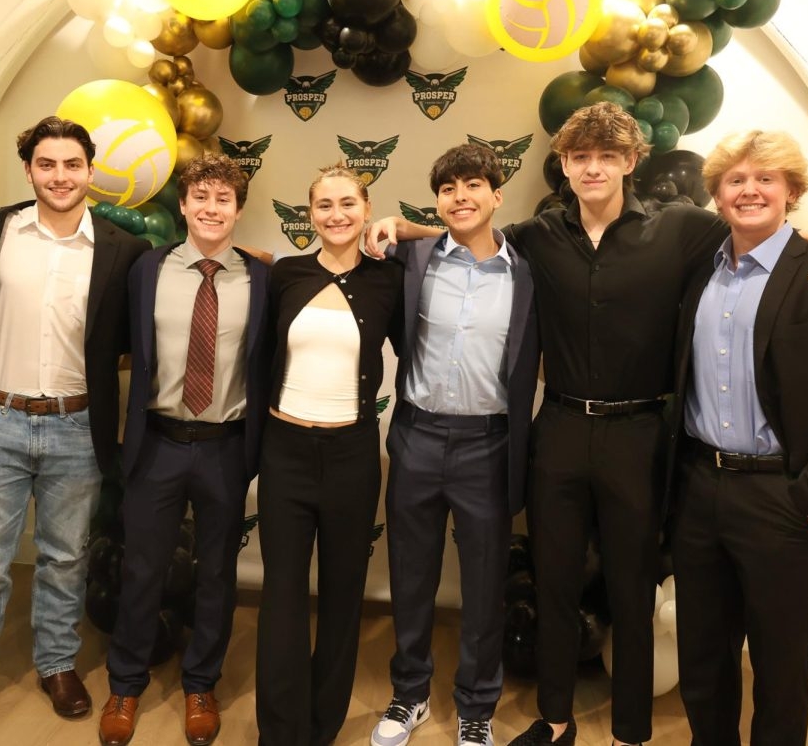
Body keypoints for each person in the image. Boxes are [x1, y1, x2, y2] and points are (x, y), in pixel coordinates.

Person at [366, 102, 808, 746]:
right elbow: (469, 230)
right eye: (581, 157)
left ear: (631, 162)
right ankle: (554, 719)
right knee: (553, 579)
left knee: (632, 587)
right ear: (565, 166)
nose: (593, 167)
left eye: (608, 155)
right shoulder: (539, 234)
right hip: (559, 430)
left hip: (641, 436)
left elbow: (763, 230)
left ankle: (630, 730)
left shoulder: (685, 228)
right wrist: (402, 227)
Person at [671, 130, 808, 745]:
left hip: (782, 501)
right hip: (698, 489)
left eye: (766, 178)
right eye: (735, 180)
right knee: (703, 662)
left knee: (781, 668)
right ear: (716, 195)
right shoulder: (701, 272)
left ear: (792, 191)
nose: (750, 190)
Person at [0, 116, 149, 743]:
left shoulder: (120, 248)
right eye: (47, 164)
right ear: (29, 169)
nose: (60, 176)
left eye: (72, 165)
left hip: (77, 426)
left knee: (64, 559)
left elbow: (137, 337)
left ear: (90, 171)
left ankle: (57, 664)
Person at [369, 144, 538, 746]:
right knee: (410, 576)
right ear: (436, 200)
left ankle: (476, 706)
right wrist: (397, 222)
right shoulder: (412, 258)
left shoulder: (527, 270)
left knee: (485, 584)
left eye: (473, 185)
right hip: (415, 435)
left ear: (497, 194)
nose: (461, 197)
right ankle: (409, 694)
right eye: (448, 188)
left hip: (487, 444)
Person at [99, 154, 268, 746]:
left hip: (226, 446)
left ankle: (201, 682)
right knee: (141, 568)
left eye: (223, 199)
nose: (211, 208)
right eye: (201, 197)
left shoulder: (261, 277)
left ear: (238, 210)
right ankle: (125, 684)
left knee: (218, 572)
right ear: (184, 204)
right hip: (159, 444)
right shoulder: (146, 269)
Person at [254, 164, 403, 746]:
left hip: (352, 454)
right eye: (323, 205)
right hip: (285, 451)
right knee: (283, 595)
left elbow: (448, 234)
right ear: (308, 214)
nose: (336, 215)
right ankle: (280, 732)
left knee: (344, 594)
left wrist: (402, 228)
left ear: (367, 209)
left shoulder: (389, 278)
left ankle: (321, 728)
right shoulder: (285, 273)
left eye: (348, 204)